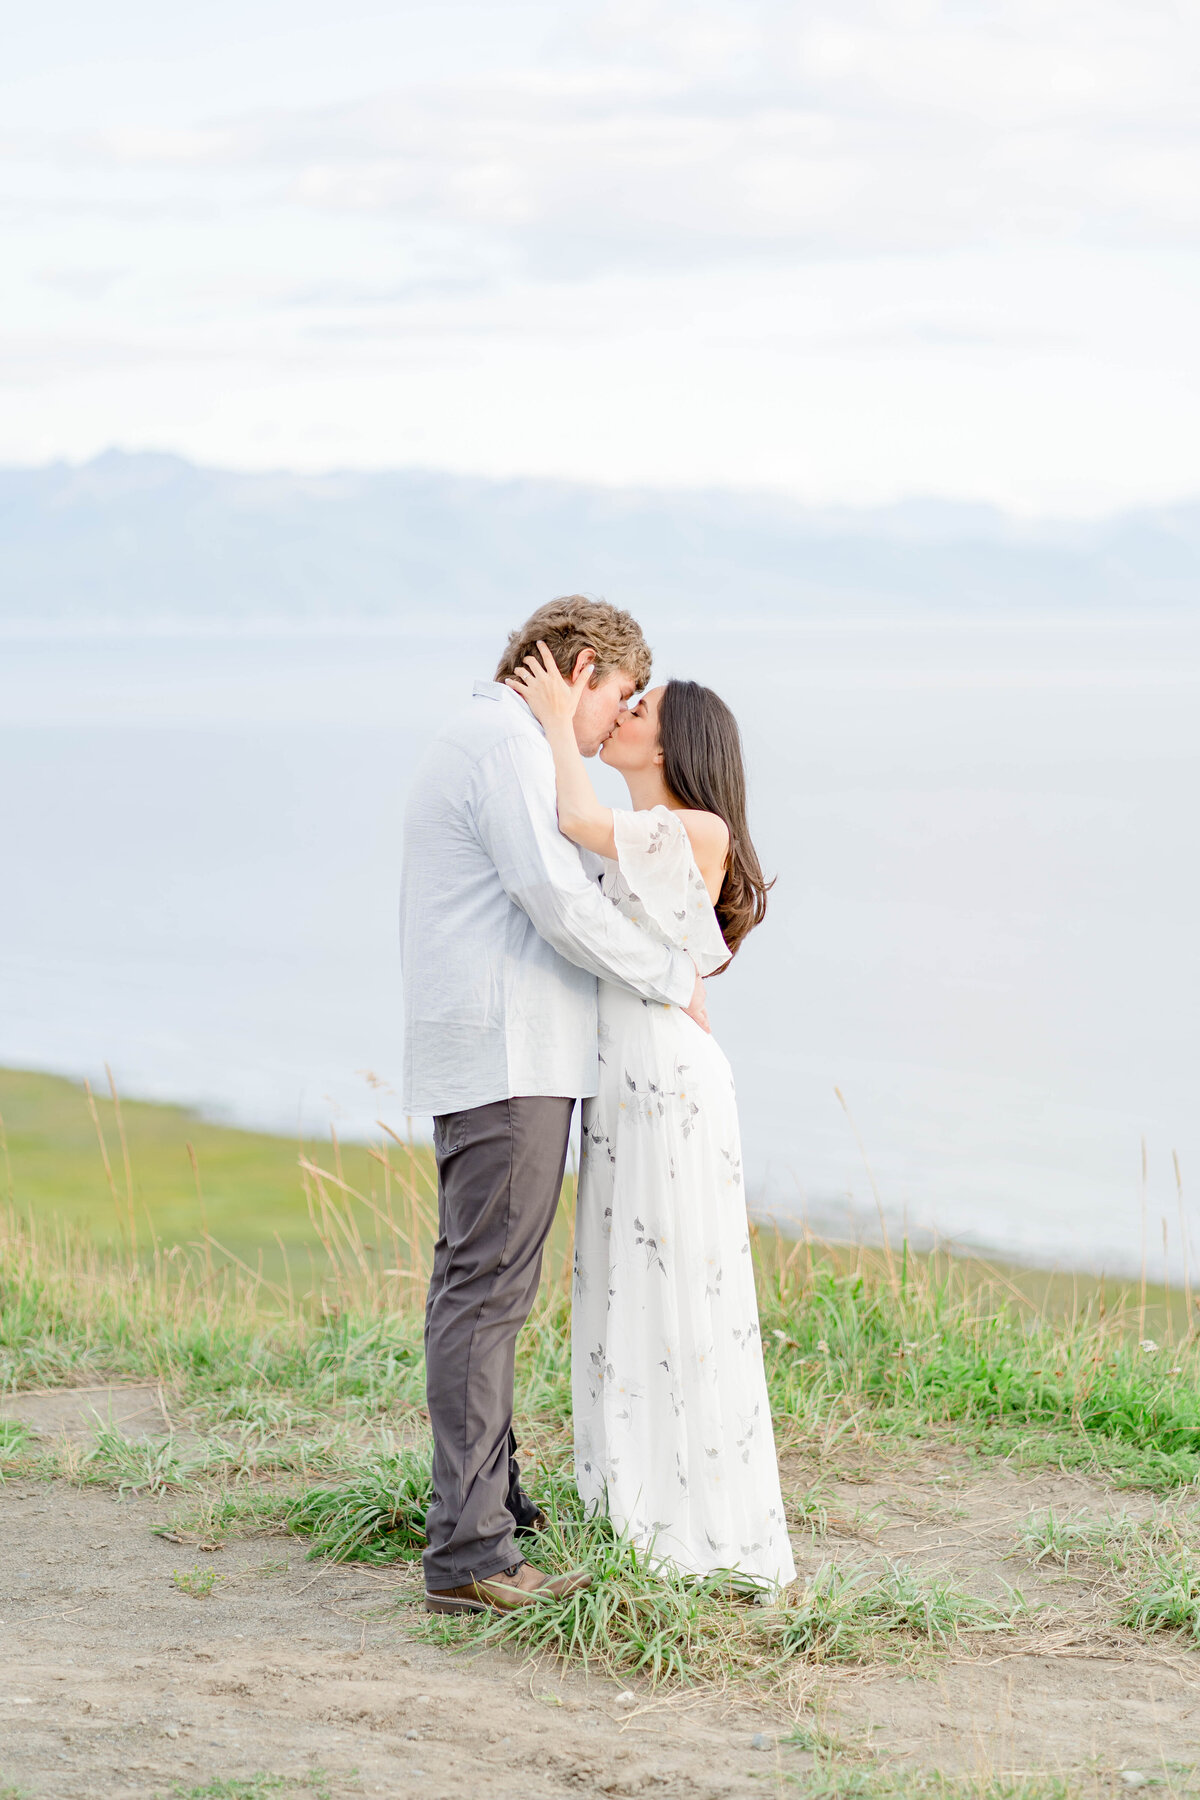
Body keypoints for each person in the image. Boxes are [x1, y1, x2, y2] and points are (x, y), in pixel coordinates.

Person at [400, 597, 711, 1615]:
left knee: (485, 1292)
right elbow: (559, 900)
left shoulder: (500, 739)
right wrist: (670, 976)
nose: (615, 719)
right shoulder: (510, 744)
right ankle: (472, 1555)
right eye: (619, 696)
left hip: (508, 1053)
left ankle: (494, 1511)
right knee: (487, 1298)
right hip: (509, 1055)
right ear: (584, 669)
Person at [506, 646, 795, 1590]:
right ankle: (630, 1501)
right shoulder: (639, 829)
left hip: (668, 1088)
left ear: (679, 741)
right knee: (624, 1286)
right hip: (626, 1082)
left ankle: (685, 1521)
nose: (622, 713)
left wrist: (557, 720)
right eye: (623, 702)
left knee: (678, 1292)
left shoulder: (693, 827)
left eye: (642, 708)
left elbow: (572, 816)